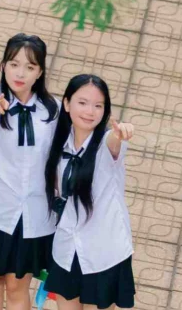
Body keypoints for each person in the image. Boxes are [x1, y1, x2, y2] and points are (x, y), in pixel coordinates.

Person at [0, 33, 60, 310]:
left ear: (40, 72)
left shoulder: (52, 110)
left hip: (36, 211)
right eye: (14, 64)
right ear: (3, 66)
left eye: (29, 67)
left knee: (17, 284)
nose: (20, 73)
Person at [43, 74, 136, 310]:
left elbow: (114, 143)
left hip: (103, 251)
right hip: (66, 248)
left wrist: (120, 133)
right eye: (82, 102)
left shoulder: (106, 144)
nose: (90, 111)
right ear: (66, 104)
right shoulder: (59, 143)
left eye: (98, 106)